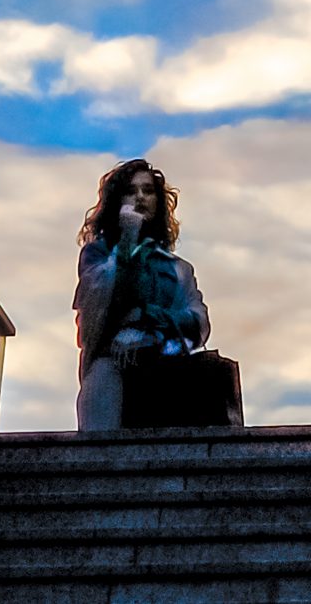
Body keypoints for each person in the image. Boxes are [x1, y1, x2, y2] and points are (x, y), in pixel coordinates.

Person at [74, 158, 211, 431]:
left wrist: (147, 316)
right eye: (131, 190)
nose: (140, 197)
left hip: (164, 373)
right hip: (109, 368)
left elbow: (199, 322)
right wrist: (126, 241)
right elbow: (98, 306)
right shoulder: (97, 254)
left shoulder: (177, 269)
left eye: (147, 191)